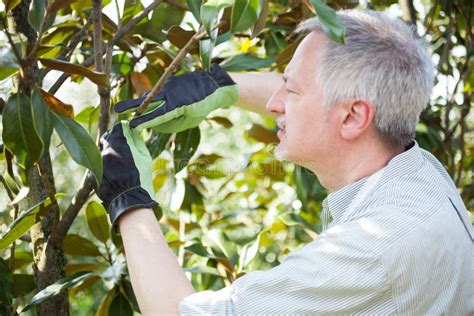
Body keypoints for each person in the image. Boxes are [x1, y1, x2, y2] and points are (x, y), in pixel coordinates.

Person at [95, 9, 474, 315]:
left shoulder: (373, 250)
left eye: (290, 90)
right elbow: (325, 102)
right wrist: (220, 87)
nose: (275, 103)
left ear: (354, 117)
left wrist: (128, 198)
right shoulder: (418, 172)